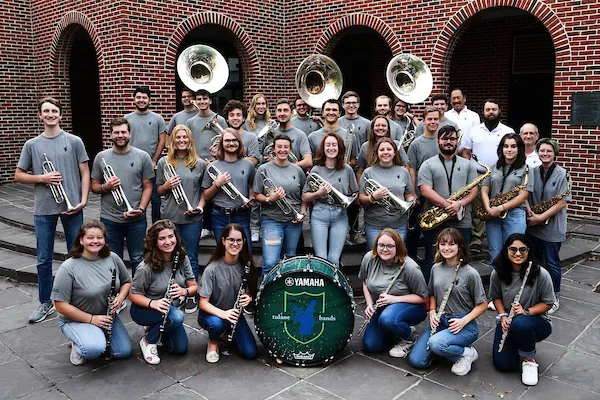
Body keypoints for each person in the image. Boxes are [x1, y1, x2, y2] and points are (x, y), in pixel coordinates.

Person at [16, 97, 90, 323]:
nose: (50, 114)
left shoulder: (74, 140)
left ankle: (77, 297)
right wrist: (42, 177)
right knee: (43, 258)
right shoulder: (32, 145)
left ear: (60, 115)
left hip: (73, 206)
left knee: (77, 254)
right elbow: (19, 175)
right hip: (44, 208)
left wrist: (84, 200)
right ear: (40, 116)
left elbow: (85, 172)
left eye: (54, 111)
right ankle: (45, 302)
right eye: (46, 111)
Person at [51, 220, 132, 365]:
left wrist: (120, 297)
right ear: (81, 240)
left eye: (99, 237)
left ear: (104, 239)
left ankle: (92, 336)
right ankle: (77, 343)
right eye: (90, 238)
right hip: (76, 319)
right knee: (93, 350)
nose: (95, 241)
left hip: (105, 316)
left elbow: (127, 282)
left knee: (123, 351)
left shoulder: (112, 258)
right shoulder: (68, 267)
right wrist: (91, 319)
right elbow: (60, 306)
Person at [409, 228, 487, 375]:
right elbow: (432, 294)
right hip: (440, 321)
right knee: (417, 361)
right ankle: (444, 347)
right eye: (443, 244)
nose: (446, 248)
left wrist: (464, 321)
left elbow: (482, 305)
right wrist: (432, 311)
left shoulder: (471, 273)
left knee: (435, 343)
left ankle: (466, 353)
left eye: (452, 244)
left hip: (462, 324)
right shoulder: (435, 268)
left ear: (460, 247)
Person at [129, 220, 198, 365]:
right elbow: (133, 295)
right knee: (177, 317)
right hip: (144, 310)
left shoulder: (181, 258)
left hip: (169, 310)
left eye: (171, 236)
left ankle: (156, 328)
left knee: (180, 348)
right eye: (162, 238)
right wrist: (153, 303)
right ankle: (148, 341)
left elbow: (194, 286)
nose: (168, 242)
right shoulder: (145, 268)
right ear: (154, 242)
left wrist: (183, 291)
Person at [91, 118, 154, 277]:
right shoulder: (101, 157)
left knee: (138, 258)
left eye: (123, 132)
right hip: (110, 219)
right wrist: (107, 187)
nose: (120, 135)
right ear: (110, 135)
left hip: (136, 220)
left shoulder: (142, 156)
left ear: (129, 134)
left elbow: (148, 187)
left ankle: (137, 294)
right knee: (112, 259)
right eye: (116, 132)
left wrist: (141, 209)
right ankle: (116, 295)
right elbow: (94, 186)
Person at [489, 234, 554, 386]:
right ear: (506, 250)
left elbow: (548, 303)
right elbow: (496, 297)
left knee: (521, 323)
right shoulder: (498, 272)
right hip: (509, 321)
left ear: (528, 251)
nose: (518, 253)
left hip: (536, 322)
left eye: (522, 250)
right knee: (504, 364)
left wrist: (527, 311)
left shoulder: (540, 273)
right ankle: (520, 341)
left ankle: (529, 360)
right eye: (513, 249)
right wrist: (503, 315)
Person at [417, 125, 479, 281]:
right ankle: (430, 296)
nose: (449, 142)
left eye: (452, 138)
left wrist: (460, 204)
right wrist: (447, 205)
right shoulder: (428, 164)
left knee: (462, 258)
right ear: (438, 141)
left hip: (461, 219)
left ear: (457, 141)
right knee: (432, 260)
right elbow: (425, 190)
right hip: (435, 219)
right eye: (445, 138)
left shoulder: (468, 164)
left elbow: (474, 191)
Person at [156, 124, 205, 312]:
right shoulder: (164, 163)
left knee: (190, 256)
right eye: (178, 137)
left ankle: (190, 293)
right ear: (173, 140)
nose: (182, 140)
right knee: (168, 256)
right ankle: (169, 291)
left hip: (192, 218)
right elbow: (159, 190)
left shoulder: (199, 163)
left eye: (185, 137)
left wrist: (199, 208)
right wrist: (167, 185)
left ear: (190, 140)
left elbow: (203, 192)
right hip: (170, 217)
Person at [359, 228, 427, 357]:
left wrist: (394, 299)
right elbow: (365, 282)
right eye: (381, 245)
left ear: (398, 247)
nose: (385, 249)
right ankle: (395, 329)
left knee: (388, 318)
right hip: (382, 308)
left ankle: (410, 338)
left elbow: (424, 298)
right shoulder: (369, 258)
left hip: (411, 306)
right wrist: (369, 304)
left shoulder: (410, 267)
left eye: (390, 246)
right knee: (372, 345)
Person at [198, 223, 259, 363]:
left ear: (244, 242)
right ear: (224, 241)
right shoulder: (212, 269)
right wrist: (223, 314)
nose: (235, 244)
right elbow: (203, 303)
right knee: (217, 324)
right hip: (211, 314)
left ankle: (225, 333)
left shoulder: (246, 267)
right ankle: (213, 342)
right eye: (231, 240)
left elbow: (250, 291)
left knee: (250, 352)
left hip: (233, 314)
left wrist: (248, 297)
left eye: (239, 240)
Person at [461, 99, 515, 254]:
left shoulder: (508, 131)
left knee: (499, 204)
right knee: (478, 207)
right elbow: (466, 151)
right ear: (483, 113)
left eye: (494, 109)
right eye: (488, 110)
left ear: (499, 112)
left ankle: (500, 238)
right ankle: (477, 239)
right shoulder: (474, 130)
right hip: (478, 174)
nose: (491, 112)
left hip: (500, 174)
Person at [526, 138, 571, 314]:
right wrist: (531, 214)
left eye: (549, 151)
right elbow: (526, 195)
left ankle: (554, 296)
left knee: (552, 263)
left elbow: (561, 202)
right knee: (535, 261)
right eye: (542, 150)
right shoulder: (532, 171)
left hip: (552, 226)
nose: (545, 154)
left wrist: (540, 217)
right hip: (534, 225)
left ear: (555, 153)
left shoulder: (563, 174)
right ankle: (538, 293)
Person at [254, 135, 308, 278]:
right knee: (270, 262)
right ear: (273, 149)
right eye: (279, 147)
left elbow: (304, 194)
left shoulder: (297, 170)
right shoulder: (263, 169)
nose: (282, 150)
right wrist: (270, 198)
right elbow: (256, 195)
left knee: (289, 259)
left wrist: (302, 211)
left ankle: (285, 294)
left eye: (286, 147)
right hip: (272, 220)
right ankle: (265, 294)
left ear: (290, 149)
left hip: (293, 222)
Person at [302, 133, 359, 266]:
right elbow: (305, 196)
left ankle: (334, 286)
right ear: (323, 148)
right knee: (321, 258)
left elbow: (355, 192)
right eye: (328, 145)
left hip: (340, 215)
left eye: (334, 145)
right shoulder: (316, 169)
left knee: (334, 259)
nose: (331, 148)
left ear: (339, 148)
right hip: (319, 214)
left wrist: (351, 198)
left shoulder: (347, 169)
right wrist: (318, 193)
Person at [481, 133, 534, 265]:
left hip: (515, 215)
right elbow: (484, 189)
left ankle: (512, 284)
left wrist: (501, 208)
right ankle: (497, 284)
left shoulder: (526, 169)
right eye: (505, 146)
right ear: (501, 149)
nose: (509, 150)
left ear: (519, 149)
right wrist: (488, 208)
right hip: (493, 215)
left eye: (513, 146)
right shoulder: (493, 167)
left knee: (514, 253)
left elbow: (523, 195)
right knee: (495, 253)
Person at [202, 128, 256, 250]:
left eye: (234, 140)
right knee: (222, 254)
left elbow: (252, 186)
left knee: (246, 253)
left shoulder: (248, 165)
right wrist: (217, 184)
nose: (231, 143)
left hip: (241, 215)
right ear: (221, 143)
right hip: (219, 216)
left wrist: (251, 198)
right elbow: (206, 196)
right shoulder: (213, 166)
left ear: (239, 143)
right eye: (227, 140)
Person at [359, 138, 416, 248]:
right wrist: (373, 197)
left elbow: (409, 194)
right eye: (382, 150)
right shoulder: (368, 172)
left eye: (389, 149)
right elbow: (361, 199)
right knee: (374, 256)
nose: (385, 152)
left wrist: (410, 202)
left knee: (397, 256)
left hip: (398, 223)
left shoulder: (403, 171)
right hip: (374, 224)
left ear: (394, 152)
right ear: (377, 153)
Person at [125, 86, 167, 223]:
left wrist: (154, 160)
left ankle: (156, 227)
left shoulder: (158, 118)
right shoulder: (127, 118)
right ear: (134, 99)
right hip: (132, 165)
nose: (141, 100)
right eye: (138, 97)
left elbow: (162, 141)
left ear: (149, 100)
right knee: (134, 196)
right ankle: (135, 223)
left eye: (144, 97)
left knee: (155, 199)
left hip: (153, 166)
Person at [405, 106, 441, 260]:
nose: (432, 122)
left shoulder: (443, 140)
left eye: (435, 119)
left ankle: (431, 261)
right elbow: (411, 169)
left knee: (434, 230)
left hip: (439, 191)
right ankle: (412, 260)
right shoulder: (416, 143)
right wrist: (413, 192)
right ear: (424, 121)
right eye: (429, 119)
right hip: (421, 192)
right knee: (414, 230)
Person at [356, 115, 409, 183]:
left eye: (384, 125)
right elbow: (360, 171)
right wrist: (362, 188)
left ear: (388, 129)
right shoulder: (365, 146)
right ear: (372, 128)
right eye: (377, 125)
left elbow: (405, 167)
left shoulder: (396, 144)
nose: (380, 128)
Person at [307, 99, 359, 167]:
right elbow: (310, 162)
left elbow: (354, 160)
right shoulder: (312, 137)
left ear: (339, 113)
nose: (331, 113)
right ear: (323, 112)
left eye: (334, 110)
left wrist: (348, 163)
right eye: (328, 109)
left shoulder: (350, 135)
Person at [267, 98, 313, 170]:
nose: (282, 114)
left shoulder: (300, 135)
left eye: (285, 110)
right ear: (276, 113)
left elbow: (308, 161)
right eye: (279, 111)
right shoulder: (270, 134)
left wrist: (287, 166)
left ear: (292, 113)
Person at [186, 89, 228, 160]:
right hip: (196, 161)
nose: (202, 102)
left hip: (216, 161)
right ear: (195, 102)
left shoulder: (220, 120)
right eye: (199, 99)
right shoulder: (190, 122)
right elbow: (188, 144)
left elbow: (226, 142)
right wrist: (197, 159)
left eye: (205, 99)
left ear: (210, 101)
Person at [223, 100, 260, 166]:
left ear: (243, 118)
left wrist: (232, 158)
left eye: (238, 115)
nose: (235, 118)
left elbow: (254, 161)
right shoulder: (222, 137)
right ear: (227, 119)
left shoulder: (251, 137)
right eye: (231, 115)